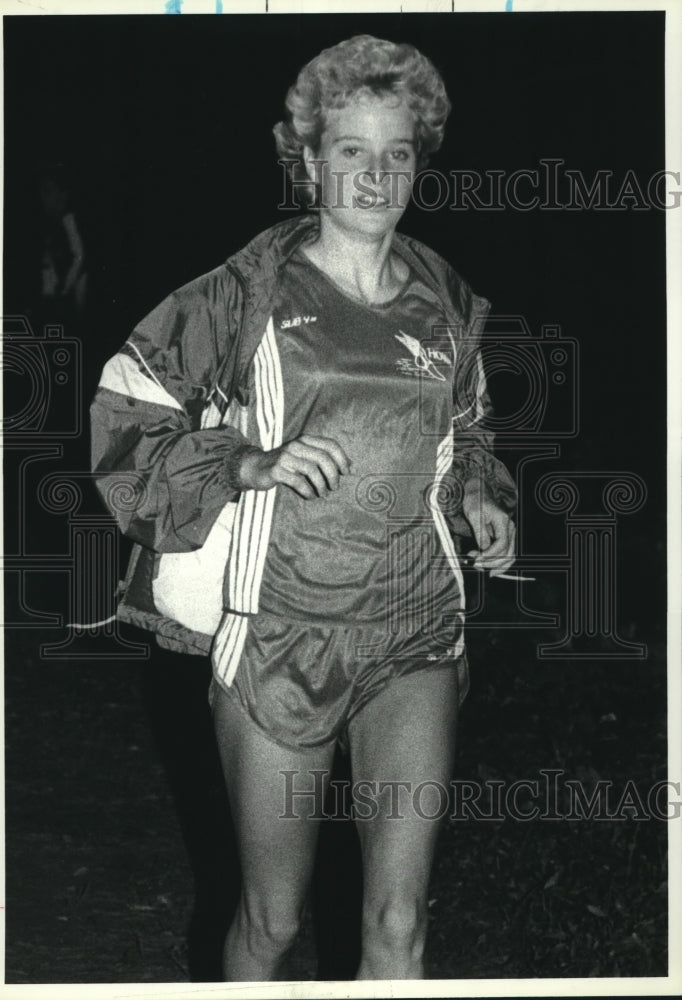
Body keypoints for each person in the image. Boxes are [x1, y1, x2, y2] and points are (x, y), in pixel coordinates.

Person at [91, 34, 517, 981]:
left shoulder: (445, 299)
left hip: (416, 635)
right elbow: (127, 406)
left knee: (400, 926)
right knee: (274, 922)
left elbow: (466, 429)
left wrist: (481, 498)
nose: (377, 174)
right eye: (352, 151)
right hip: (283, 634)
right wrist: (246, 461)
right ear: (309, 159)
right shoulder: (245, 292)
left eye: (398, 151)